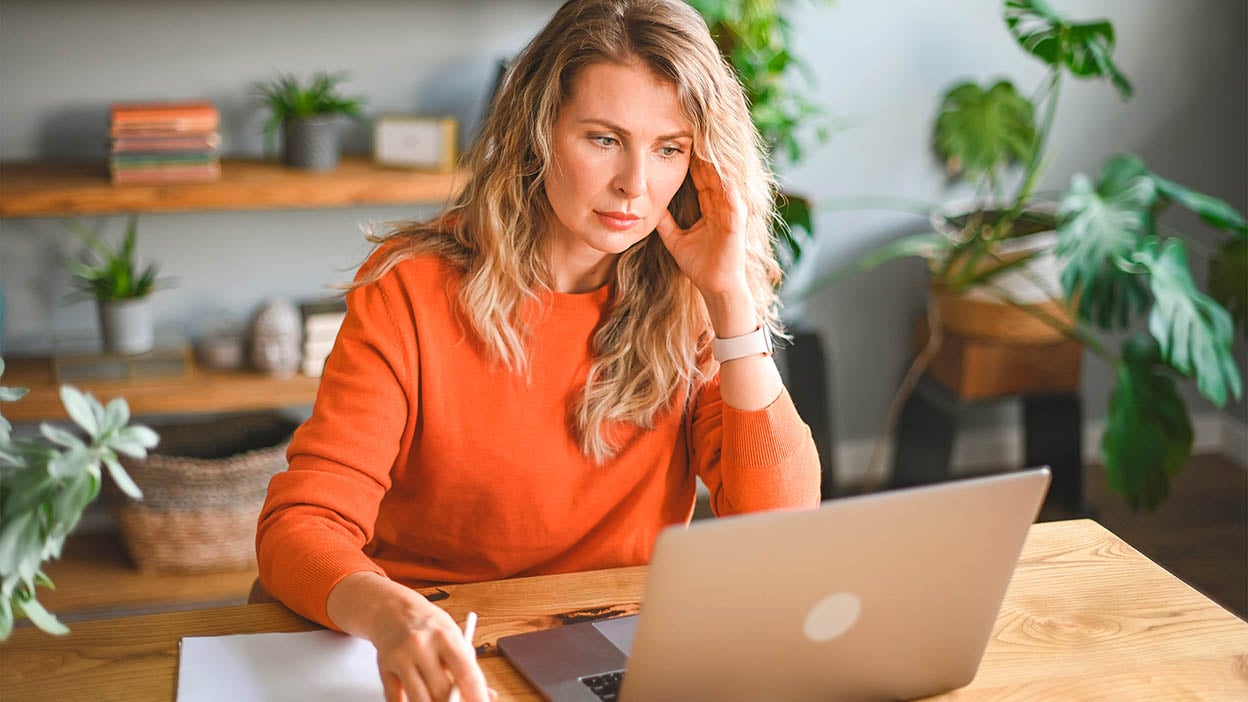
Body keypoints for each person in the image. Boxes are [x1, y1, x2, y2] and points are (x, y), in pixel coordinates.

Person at [255, 1, 821, 700]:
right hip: (437, 645)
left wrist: (731, 300)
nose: (635, 186)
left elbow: (781, 535)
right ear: (538, 132)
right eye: (604, 139)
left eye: (669, 148)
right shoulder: (410, 290)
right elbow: (303, 523)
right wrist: (387, 610)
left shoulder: (695, 300)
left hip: (612, 647)